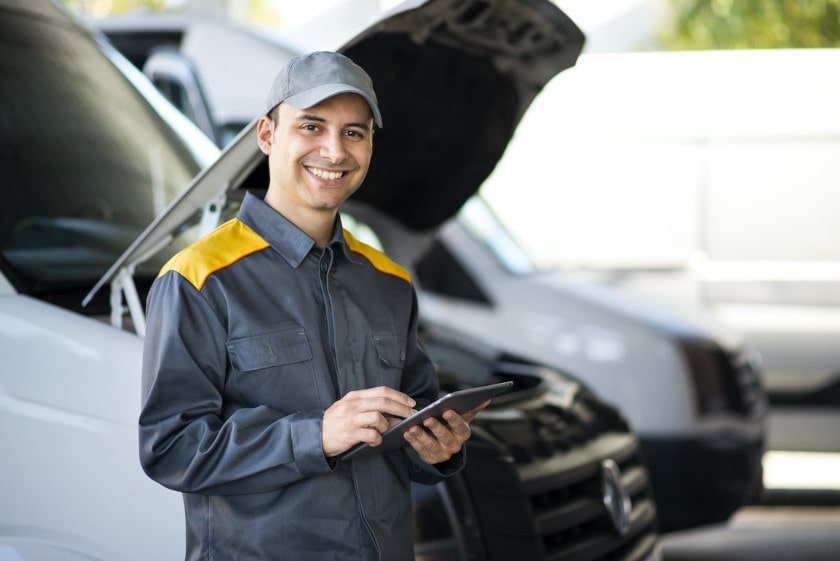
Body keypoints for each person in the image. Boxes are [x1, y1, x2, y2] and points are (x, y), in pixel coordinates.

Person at [138, 50, 486, 561]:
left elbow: (409, 423)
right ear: (267, 135)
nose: (334, 150)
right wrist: (317, 435)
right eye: (311, 126)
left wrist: (436, 450)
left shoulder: (389, 282)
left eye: (354, 132)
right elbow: (171, 450)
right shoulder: (199, 279)